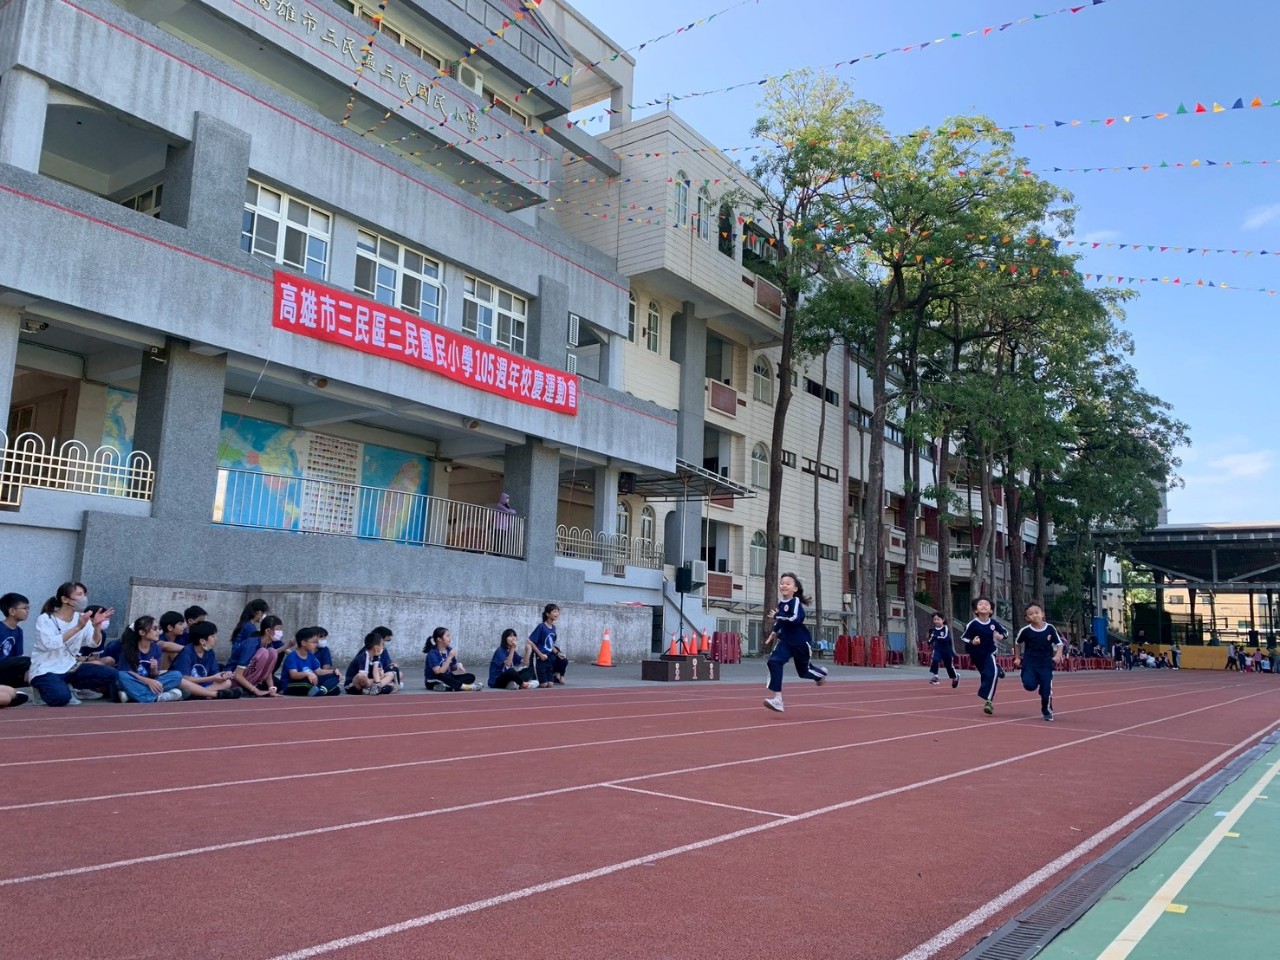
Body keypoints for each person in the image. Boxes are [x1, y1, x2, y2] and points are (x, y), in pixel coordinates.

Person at [30, 581, 118, 706]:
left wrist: (96, 627)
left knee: (111, 674)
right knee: (61, 698)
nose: (84, 598)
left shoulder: (82, 617)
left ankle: (70, 686)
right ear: (65, 599)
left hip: (70, 667)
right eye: (79, 594)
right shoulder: (46, 619)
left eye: (84, 594)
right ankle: (42, 690)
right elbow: (49, 644)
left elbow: (93, 643)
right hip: (46, 669)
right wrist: (77, 627)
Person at [763, 572, 828, 714]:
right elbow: (781, 622)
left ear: (795, 588)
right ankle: (778, 699)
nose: (784, 585)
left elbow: (794, 618)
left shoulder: (795, 602)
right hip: (785, 642)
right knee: (774, 662)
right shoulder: (781, 603)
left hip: (800, 642)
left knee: (803, 672)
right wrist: (773, 632)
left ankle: (820, 674)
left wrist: (777, 615)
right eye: (782, 583)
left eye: (788, 583)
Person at [1012, 602, 1063, 722]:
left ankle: (1046, 709)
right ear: (1027, 618)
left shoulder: (1050, 628)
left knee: (1046, 690)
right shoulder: (1025, 631)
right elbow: (1017, 643)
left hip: (1046, 663)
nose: (1034, 615)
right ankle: (1027, 676)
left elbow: (1059, 643)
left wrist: (1058, 655)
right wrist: (1017, 658)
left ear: (1042, 614)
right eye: (1031, 614)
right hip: (1030, 662)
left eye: (1037, 613)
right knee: (1029, 686)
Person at [116, 616, 186, 703]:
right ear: (142, 632)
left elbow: (155, 674)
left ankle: (134, 695)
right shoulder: (129, 649)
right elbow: (127, 672)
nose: (158, 632)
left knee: (177, 675)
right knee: (121, 676)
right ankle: (155, 697)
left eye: (158, 629)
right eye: (155, 629)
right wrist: (148, 681)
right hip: (135, 681)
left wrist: (154, 669)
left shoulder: (156, 648)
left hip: (150, 682)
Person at [960, 595, 1007, 716]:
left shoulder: (994, 623)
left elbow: (1005, 632)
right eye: (980, 604)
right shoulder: (972, 624)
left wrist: (1001, 636)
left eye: (987, 604)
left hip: (989, 652)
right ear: (976, 610)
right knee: (986, 674)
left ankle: (988, 701)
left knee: (992, 674)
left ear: (991, 610)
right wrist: (973, 642)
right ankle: (998, 668)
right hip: (976, 654)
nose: (984, 606)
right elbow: (964, 637)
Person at [172, 621, 239, 699]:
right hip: (188, 685)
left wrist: (223, 675)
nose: (216, 639)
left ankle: (198, 694)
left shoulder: (210, 652)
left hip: (203, 685)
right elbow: (184, 679)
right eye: (213, 636)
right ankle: (208, 694)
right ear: (202, 641)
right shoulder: (186, 653)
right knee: (183, 683)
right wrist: (212, 678)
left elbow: (215, 673)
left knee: (227, 682)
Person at [227, 613, 282, 698]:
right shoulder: (251, 644)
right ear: (268, 631)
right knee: (263, 652)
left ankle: (253, 686)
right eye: (278, 629)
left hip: (252, 681)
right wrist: (255, 690)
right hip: (233, 679)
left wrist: (271, 688)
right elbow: (237, 674)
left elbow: (269, 671)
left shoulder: (269, 645)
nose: (280, 632)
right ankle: (246, 688)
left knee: (273, 652)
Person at [280, 627, 341, 696]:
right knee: (307, 684)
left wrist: (333, 671)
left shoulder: (310, 655)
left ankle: (320, 691)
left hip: (310, 682)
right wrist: (307, 674)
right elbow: (294, 675)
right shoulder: (292, 656)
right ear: (303, 643)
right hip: (292, 684)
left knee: (335, 677)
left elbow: (318, 671)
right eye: (314, 642)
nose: (316, 644)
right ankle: (323, 690)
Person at [423, 627, 483, 691]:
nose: (450, 638)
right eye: (447, 636)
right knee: (443, 676)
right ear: (439, 639)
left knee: (470, 677)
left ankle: (449, 687)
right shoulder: (433, 653)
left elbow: (451, 667)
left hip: (448, 677)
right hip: (434, 679)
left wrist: (457, 666)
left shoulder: (449, 650)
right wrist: (449, 657)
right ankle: (466, 687)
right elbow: (439, 672)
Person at [344, 632, 398, 696]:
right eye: (382, 645)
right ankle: (371, 689)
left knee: (391, 674)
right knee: (361, 676)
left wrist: (378, 682)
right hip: (354, 685)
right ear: (376, 648)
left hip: (370, 681)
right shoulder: (363, 657)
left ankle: (376, 688)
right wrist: (377, 680)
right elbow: (363, 678)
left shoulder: (376, 656)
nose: (383, 648)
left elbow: (377, 674)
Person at [0, 592, 31, 702]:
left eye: (28, 608)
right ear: (12, 611)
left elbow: (17, 656)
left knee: (35, 670)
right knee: (28, 661)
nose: (27, 611)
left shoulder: (19, 631)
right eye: (25, 608)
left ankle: (10, 694)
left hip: (6, 669)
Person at [529, 603, 568, 686]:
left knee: (563, 660)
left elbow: (550, 644)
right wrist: (540, 654)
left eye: (558, 611)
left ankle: (557, 675)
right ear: (547, 614)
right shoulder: (541, 627)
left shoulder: (553, 628)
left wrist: (558, 653)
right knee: (543, 685)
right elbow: (531, 642)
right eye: (554, 611)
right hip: (539, 657)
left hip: (548, 656)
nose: (557, 613)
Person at [926, 611, 958, 688]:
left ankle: (955, 678)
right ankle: (935, 677)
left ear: (943, 620)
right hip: (938, 648)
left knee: (949, 666)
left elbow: (946, 638)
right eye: (934, 619)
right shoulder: (933, 630)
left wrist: (936, 637)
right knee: (935, 660)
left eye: (938, 619)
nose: (936, 621)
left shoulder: (945, 628)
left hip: (947, 650)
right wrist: (929, 641)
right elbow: (931, 639)